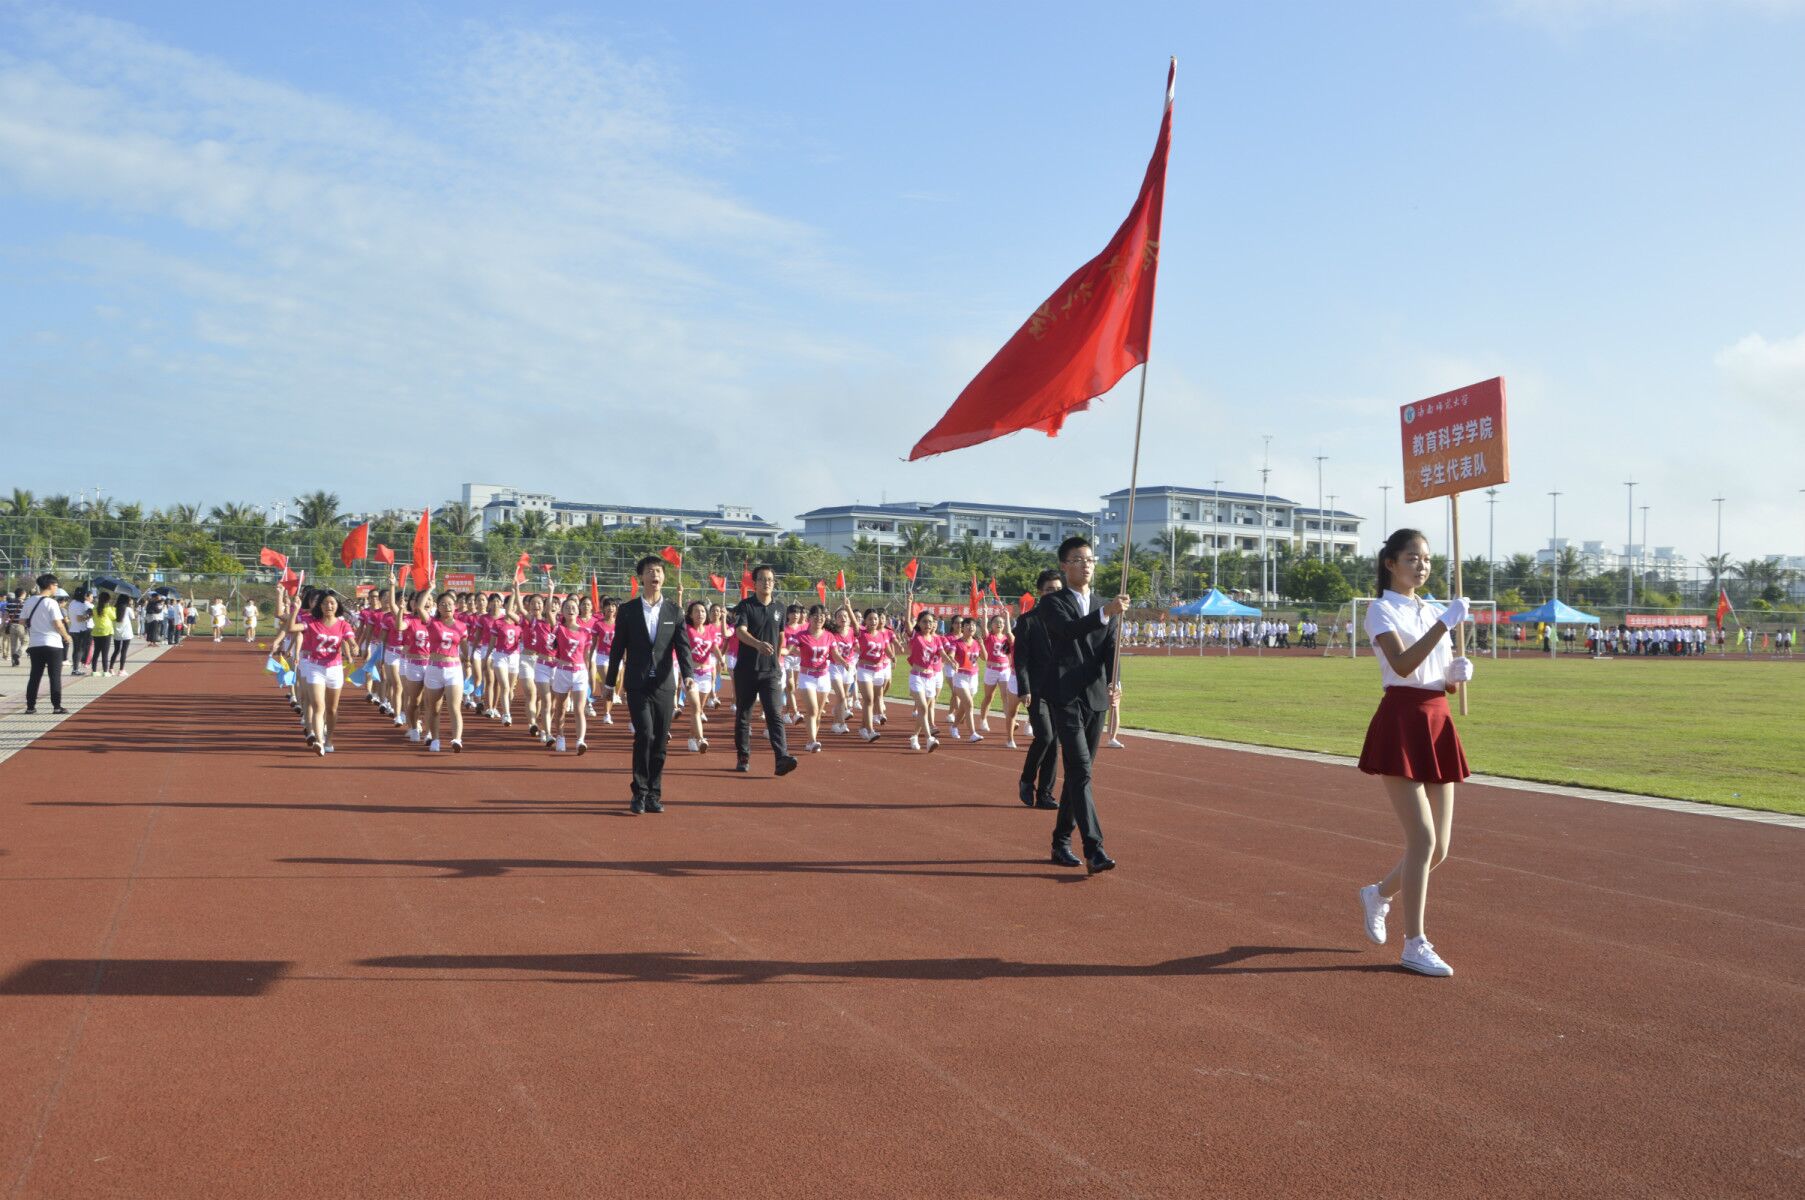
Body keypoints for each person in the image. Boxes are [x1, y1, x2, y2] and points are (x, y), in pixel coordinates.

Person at [1354, 528, 1474, 979]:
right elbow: (1402, 666)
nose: (1421, 566)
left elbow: (1434, 675)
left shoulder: (1430, 609)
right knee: (1421, 840)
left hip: (1437, 717)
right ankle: (1415, 944)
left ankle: (1378, 894)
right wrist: (1447, 623)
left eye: (1425, 559)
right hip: (1402, 721)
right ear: (1390, 562)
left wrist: (1455, 676)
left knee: (1440, 848)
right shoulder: (1380, 609)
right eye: (1412, 558)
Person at [1034, 536, 1127, 875]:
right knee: (1081, 770)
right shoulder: (1053, 603)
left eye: (1090, 559)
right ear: (1064, 565)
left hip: (1096, 697)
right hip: (1066, 696)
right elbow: (1070, 631)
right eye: (1078, 559)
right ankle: (1094, 848)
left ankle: (1061, 841)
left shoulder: (1108, 605)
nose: (1086, 564)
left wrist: (1115, 682)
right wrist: (1105, 613)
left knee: (1078, 773)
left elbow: (1111, 650)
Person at [604, 555, 695, 813]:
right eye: (650, 571)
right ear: (641, 577)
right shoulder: (629, 610)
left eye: (659, 571)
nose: (655, 575)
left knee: (660, 741)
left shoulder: (674, 611)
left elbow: (683, 647)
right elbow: (617, 648)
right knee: (645, 734)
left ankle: (654, 793)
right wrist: (610, 683)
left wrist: (688, 674)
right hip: (637, 683)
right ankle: (639, 793)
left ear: (663, 577)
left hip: (665, 685)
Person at [729, 565, 799, 776]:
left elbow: (780, 635)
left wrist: (780, 655)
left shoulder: (780, 607)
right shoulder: (745, 606)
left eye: (770, 579)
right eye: (762, 579)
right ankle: (743, 755)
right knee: (744, 714)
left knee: (774, 713)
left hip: (771, 671)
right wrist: (758, 644)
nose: (767, 583)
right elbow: (740, 632)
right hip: (747, 670)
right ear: (755, 583)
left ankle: (781, 758)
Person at [282, 590, 360, 755]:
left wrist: (354, 646)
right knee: (318, 706)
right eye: (325, 603)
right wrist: (295, 608)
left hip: (335, 668)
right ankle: (319, 740)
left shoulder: (343, 624)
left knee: (332, 709)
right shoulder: (310, 621)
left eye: (332, 603)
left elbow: (350, 639)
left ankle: (329, 739)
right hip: (315, 667)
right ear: (320, 606)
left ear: (337, 605)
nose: (328, 606)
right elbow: (291, 628)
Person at [1013, 568, 1063, 809]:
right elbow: (1020, 659)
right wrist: (1024, 688)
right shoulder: (1027, 621)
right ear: (1040, 593)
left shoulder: (1068, 620)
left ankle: (1045, 794)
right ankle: (1026, 779)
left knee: (1055, 743)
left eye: (1058, 590)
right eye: (1049, 590)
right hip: (1036, 690)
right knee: (1045, 736)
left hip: (1062, 689)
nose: (1054, 594)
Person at [22, 573, 73, 715]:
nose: (56, 588)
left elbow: (22, 621)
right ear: (50, 585)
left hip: (35, 644)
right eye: (56, 585)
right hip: (53, 644)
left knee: (35, 676)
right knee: (54, 676)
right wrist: (66, 636)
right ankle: (57, 706)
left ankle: (30, 706)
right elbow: (58, 623)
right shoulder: (51, 603)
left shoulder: (29, 601)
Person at [546, 596, 591, 754]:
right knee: (561, 707)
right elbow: (549, 613)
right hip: (562, 672)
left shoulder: (585, 631)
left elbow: (586, 656)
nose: (571, 609)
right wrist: (551, 592)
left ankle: (580, 740)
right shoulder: (559, 629)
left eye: (573, 607)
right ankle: (560, 736)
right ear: (562, 612)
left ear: (578, 610)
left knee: (579, 708)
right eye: (567, 608)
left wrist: (588, 673)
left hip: (580, 672)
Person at [680, 600, 723, 753]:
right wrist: (680, 596)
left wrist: (721, 659)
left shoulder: (709, 629)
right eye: (697, 611)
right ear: (690, 615)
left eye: (703, 611)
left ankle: (692, 738)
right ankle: (701, 739)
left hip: (706, 674)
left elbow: (714, 646)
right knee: (695, 708)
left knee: (698, 710)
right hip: (690, 674)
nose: (701, 614)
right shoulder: (686, 629)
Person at [65, 587, 94, 677]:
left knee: (76, 650)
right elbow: (79, 618)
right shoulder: (80, 605)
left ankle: (75, 668)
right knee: (79, 650)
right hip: (80, 630)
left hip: (73, 628)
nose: (86, 596)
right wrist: (89, 615)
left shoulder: (72, 603)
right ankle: (75, 669)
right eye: (85, 594)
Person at [107, 594, 135, 675]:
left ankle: (111, 668)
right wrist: (132, 605)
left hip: (117, 632)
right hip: (126, 632)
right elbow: (133, 617)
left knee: (116, 650)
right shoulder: (128, 609)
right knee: (124, 651)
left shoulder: (113, 608)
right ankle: (121, 670)